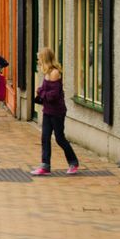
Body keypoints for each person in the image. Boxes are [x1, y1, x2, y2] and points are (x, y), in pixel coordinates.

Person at [31, 47, 80, 176]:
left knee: (59, 138)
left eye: (39, 58)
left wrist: (40, 91)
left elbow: (52, 95)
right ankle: (45, 165)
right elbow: (45, 91)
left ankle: (73, 162)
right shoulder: (46, 73)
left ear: (45, 58)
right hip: (47, 110)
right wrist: (41, 91)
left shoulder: (54, 73)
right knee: (45, 137)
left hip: (57, 112)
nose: (38, 61)